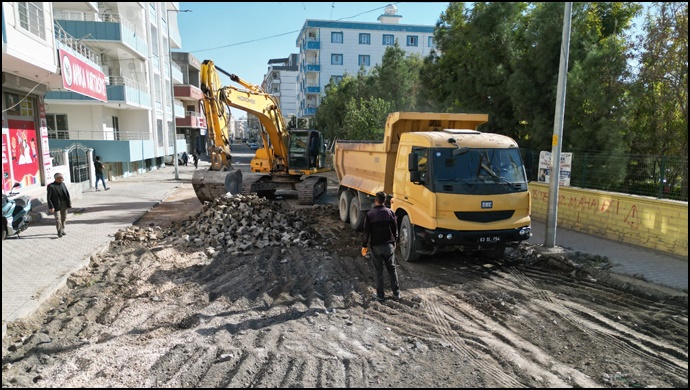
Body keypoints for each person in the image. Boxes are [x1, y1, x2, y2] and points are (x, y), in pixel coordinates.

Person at [362, 191, 400, 302]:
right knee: (392, 270)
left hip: (376, 247)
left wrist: (364, 245)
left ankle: (380, 295)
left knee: (378, 271)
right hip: (389, 246)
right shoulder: (390, 213)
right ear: (385, 200)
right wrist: (394, 242)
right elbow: (395, 230)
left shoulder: (370, 214)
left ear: (375, 200)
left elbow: (366, 232)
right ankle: (396, 294)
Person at [47, 172, 72, 238]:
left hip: (64, 205)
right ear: (57, 178)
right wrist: (51, 207)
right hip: (56, 206)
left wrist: (69, 203)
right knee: (58, 219)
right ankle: (59, 231)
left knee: (64, 218)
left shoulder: (63, 184)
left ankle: (63, 229)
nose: (63, 179)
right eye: (61, 178)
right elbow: (49, 198)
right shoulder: (51, 186)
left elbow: (67, 194)